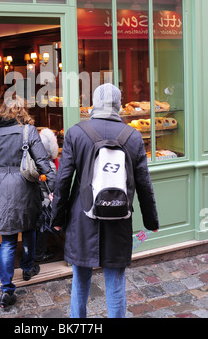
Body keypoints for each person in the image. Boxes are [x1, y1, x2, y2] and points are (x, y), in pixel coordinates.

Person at [51, 83, 159, 318]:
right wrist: (151, 221)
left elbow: (63, 181)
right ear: (118, 105)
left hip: (82, 216)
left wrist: (57, 219)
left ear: (95, 103)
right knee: (116, 283)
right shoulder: (132, 136)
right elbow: (143, 184)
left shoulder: (76, 133)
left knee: (80, 280)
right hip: (119, 216)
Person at [0, 94, 56, 309]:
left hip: (1, 187)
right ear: (22, 111)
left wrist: (2, 179)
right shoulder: (28, 131)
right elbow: (43, 161)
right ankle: (27, 268)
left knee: (7, 239)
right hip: (25, 186)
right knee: (29, 229)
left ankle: (6, 290)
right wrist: (54, 187)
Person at [35, 128, 59, 263]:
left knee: (38, 227)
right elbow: (53, 185)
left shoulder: (37, 161)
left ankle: (36, 251)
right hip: (45, 201)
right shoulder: (50, 165)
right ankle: (40, 253)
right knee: (43, 227)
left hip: (37, 199)